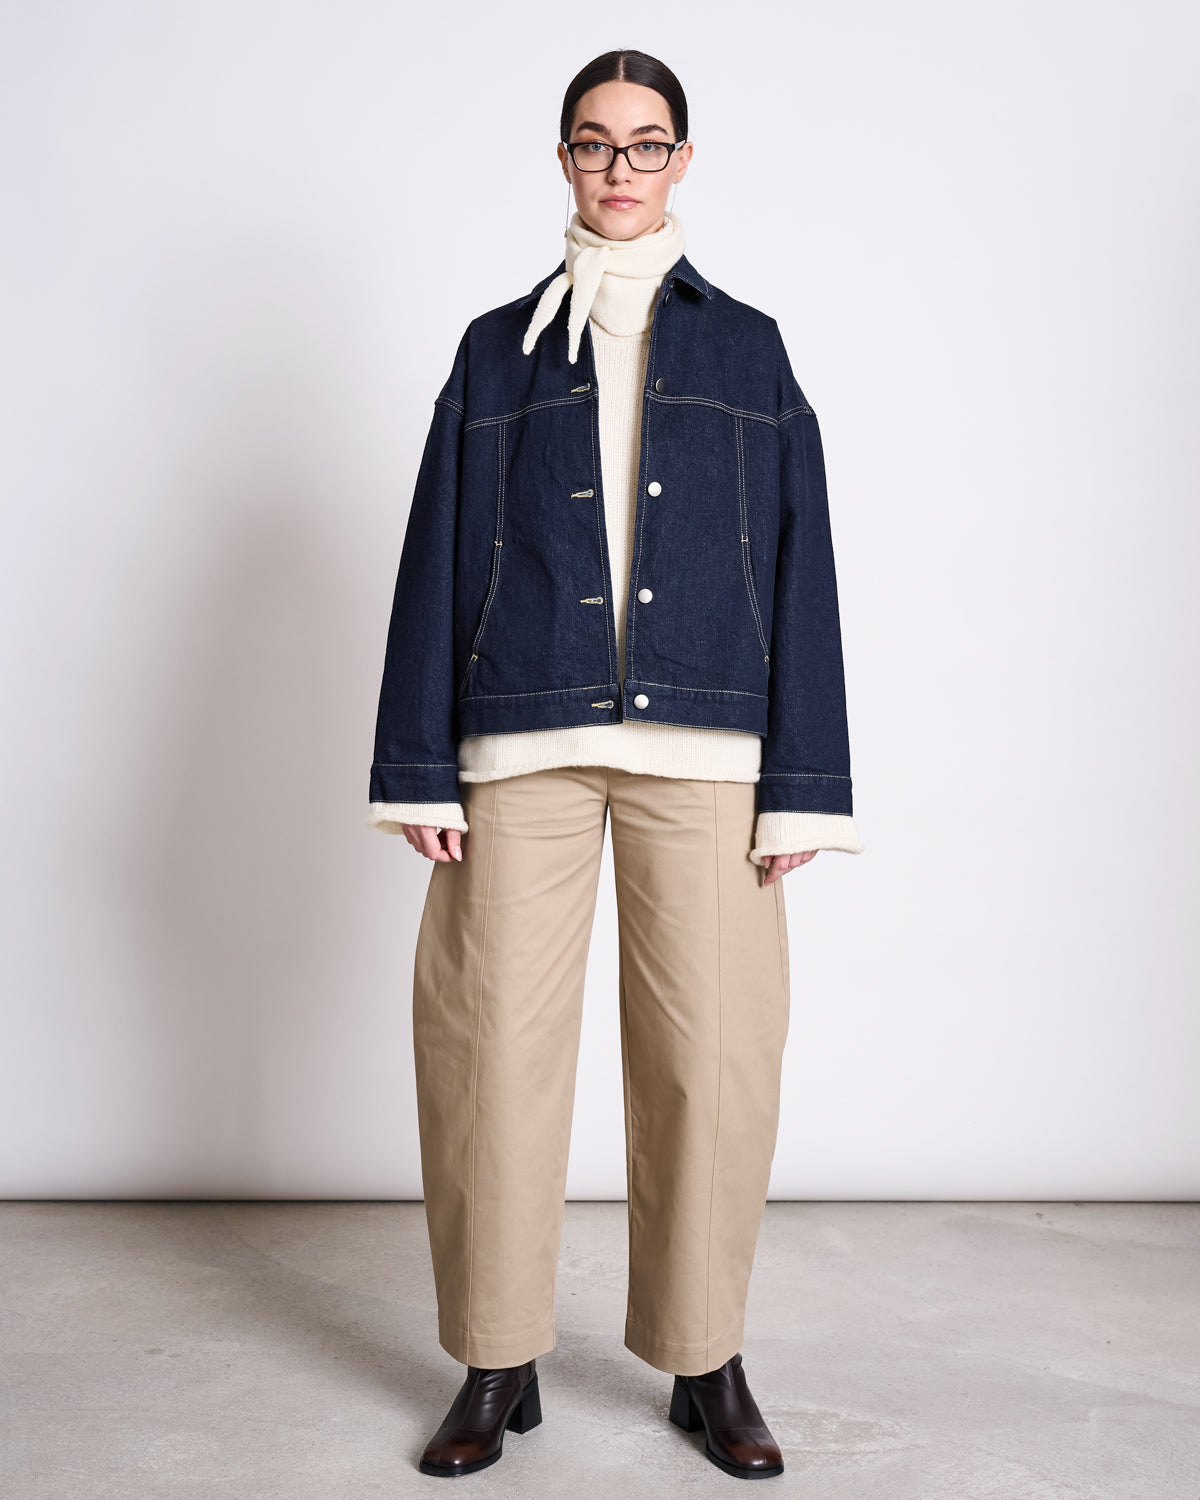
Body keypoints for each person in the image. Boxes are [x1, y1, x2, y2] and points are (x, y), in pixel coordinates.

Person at [366, 48, 864, 1481]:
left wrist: (804, 784)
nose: (621, 168)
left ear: (682, 160)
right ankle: (495, 1355)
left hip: (706, 748)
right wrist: (420, 765)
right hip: (519, 740)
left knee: (713, 1056)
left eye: (648, 144)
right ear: (565, 159)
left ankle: (707, 1358)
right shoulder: (493, 351)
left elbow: (805, 568)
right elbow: (435, 557)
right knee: (487, 1049)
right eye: (596, 142)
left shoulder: (751, 351)